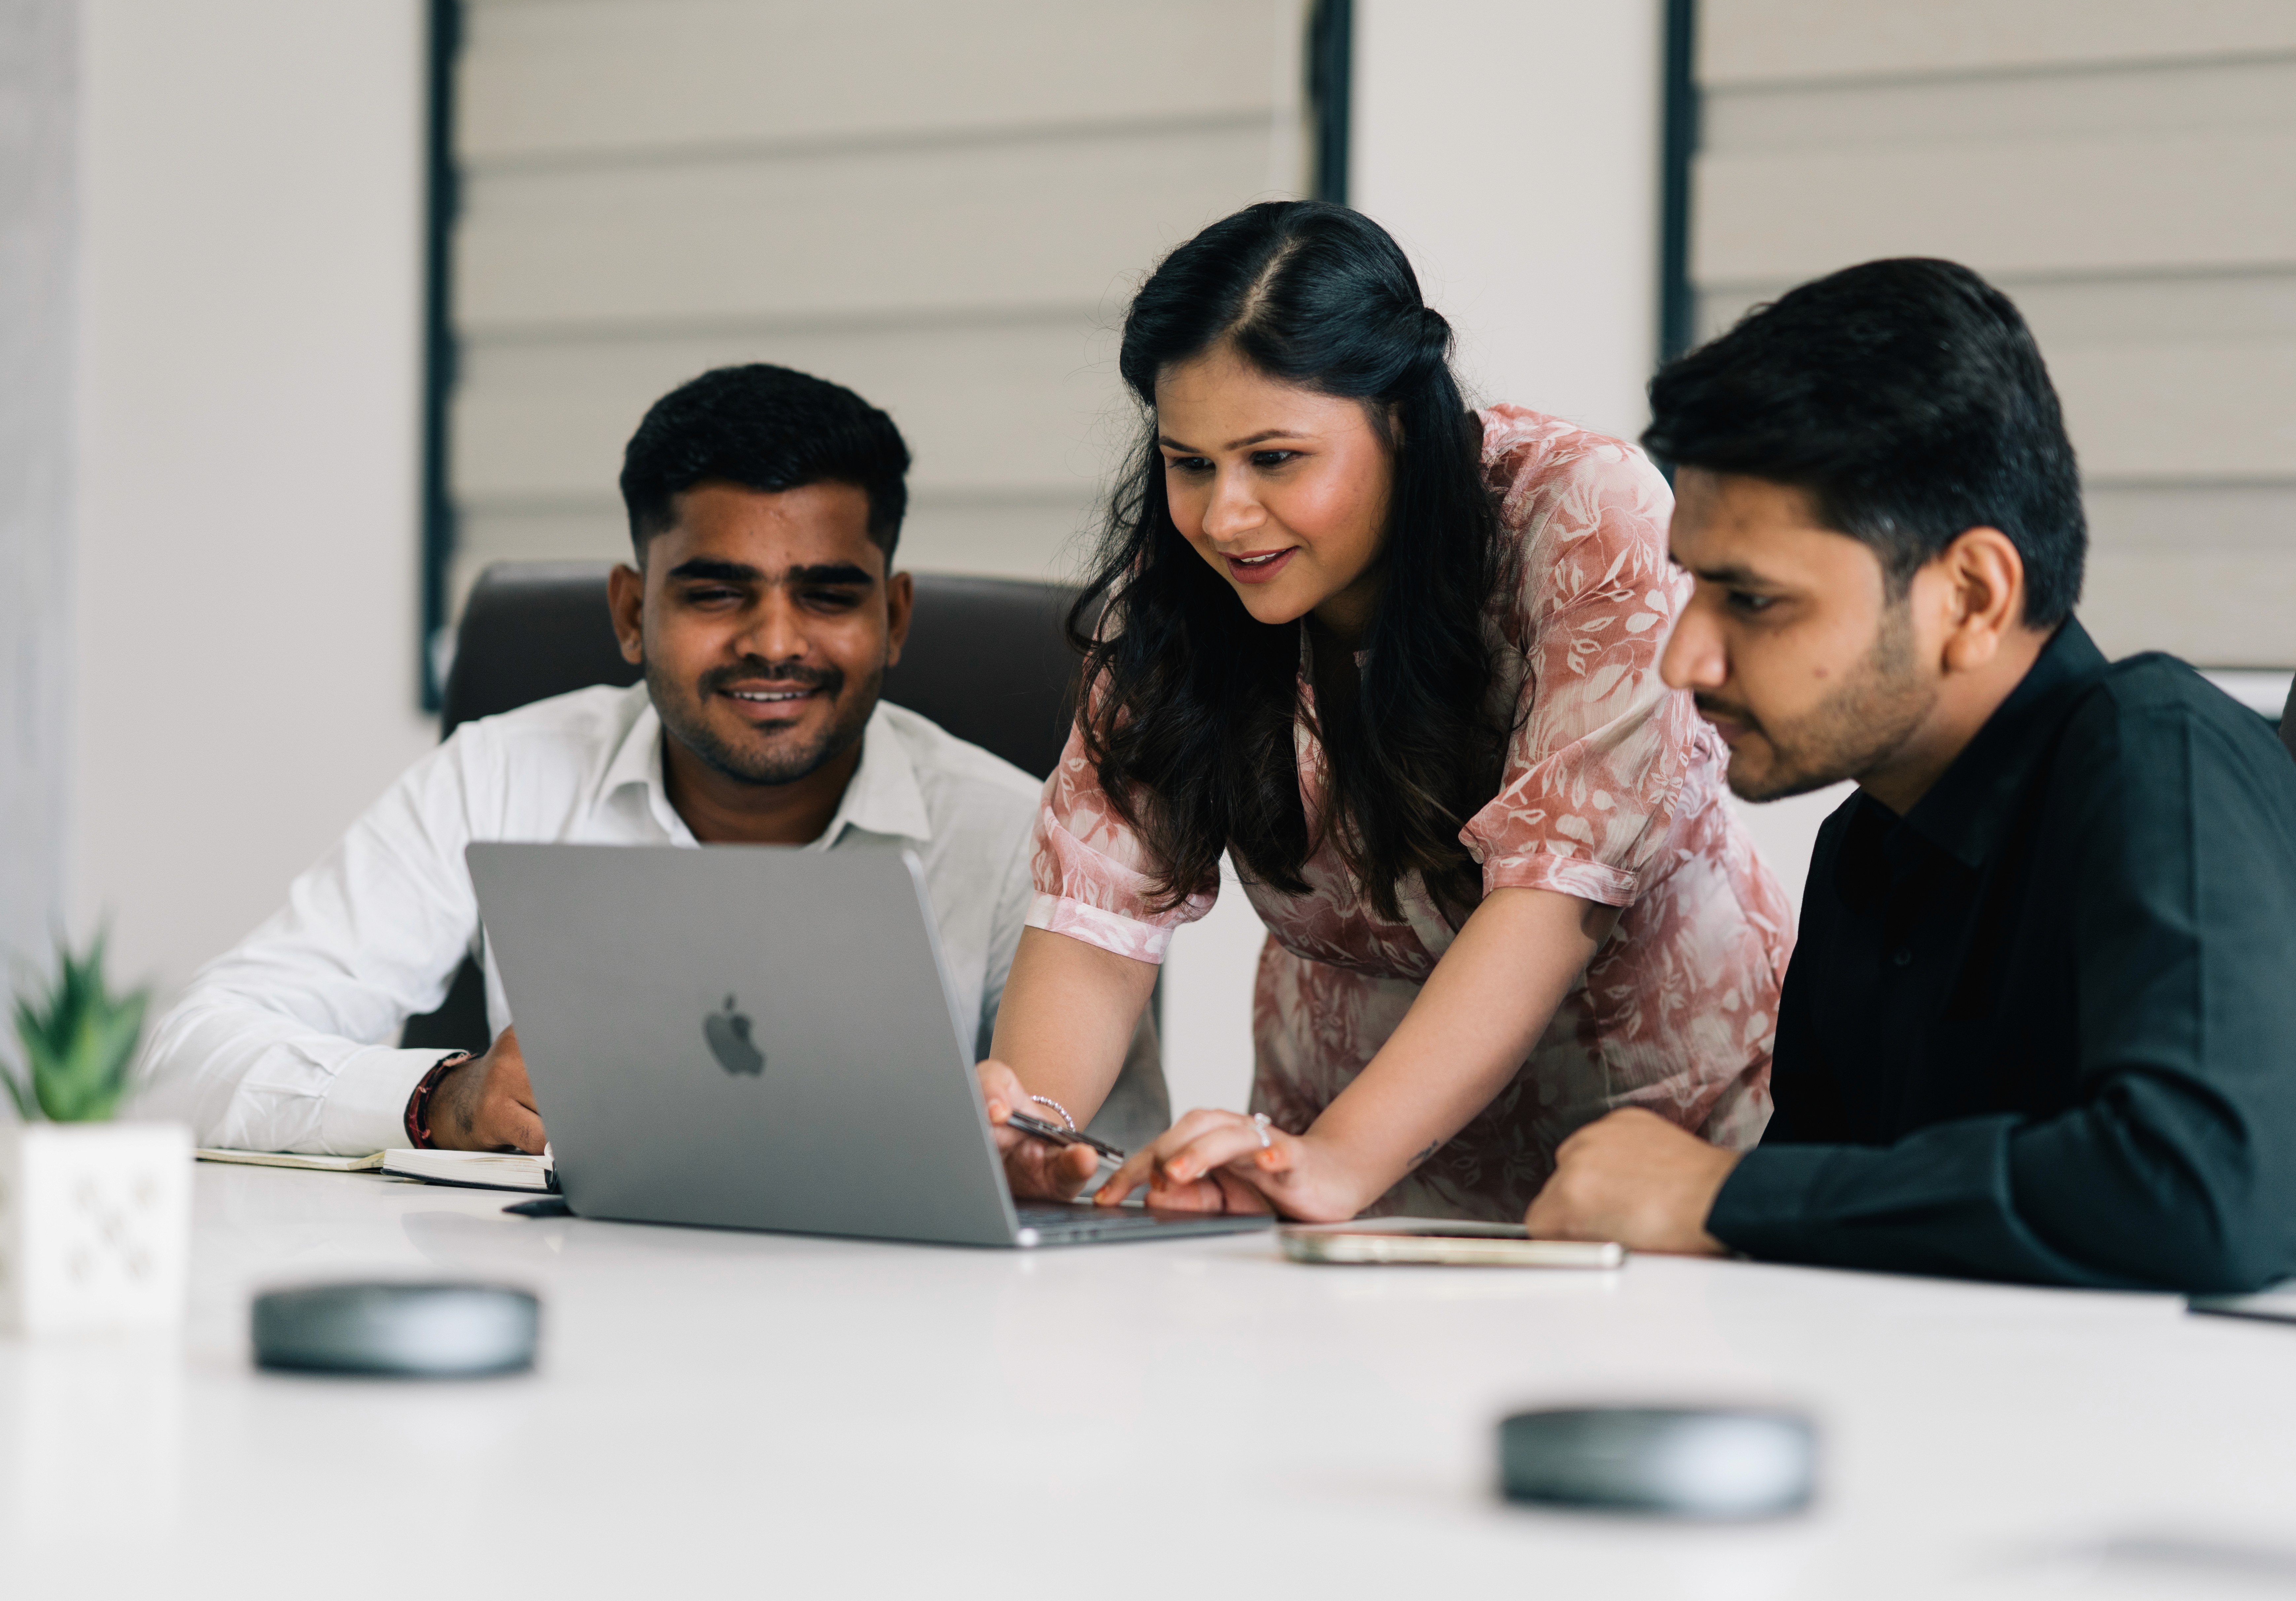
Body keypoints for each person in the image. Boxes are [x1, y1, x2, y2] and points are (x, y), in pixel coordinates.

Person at [1522, 259, 2296, 1290]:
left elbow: (2212, 1194)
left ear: (1970, 595)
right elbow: (1828, 1233)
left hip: (2275, 1426)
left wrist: (1719, 1196)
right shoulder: (1868, 841)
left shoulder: (2158, 755)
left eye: (1752, 600)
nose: (1684, 658)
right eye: (1694, 586)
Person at [979, 201, 1793, 1223]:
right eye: (1190, 464)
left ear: (1400, 418)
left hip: (1645, 1144)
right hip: (1337, 1143)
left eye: (1275, 459)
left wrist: (1333, 1168)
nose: (1225, 517)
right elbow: (1097, 913)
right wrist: (1027, 1130)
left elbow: (1553, 905)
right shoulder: (1189, 583)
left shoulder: (1582, 514)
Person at [137, 364, 1165, 1156]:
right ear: (633, 612)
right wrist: (437, 1096)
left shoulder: (1012, 833)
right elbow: (184, 1057)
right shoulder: (497, 775)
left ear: (893, 619)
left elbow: (1113, 1167)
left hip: (900, 1346)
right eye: (717, 592)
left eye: (827, 594)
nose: (774, 640)